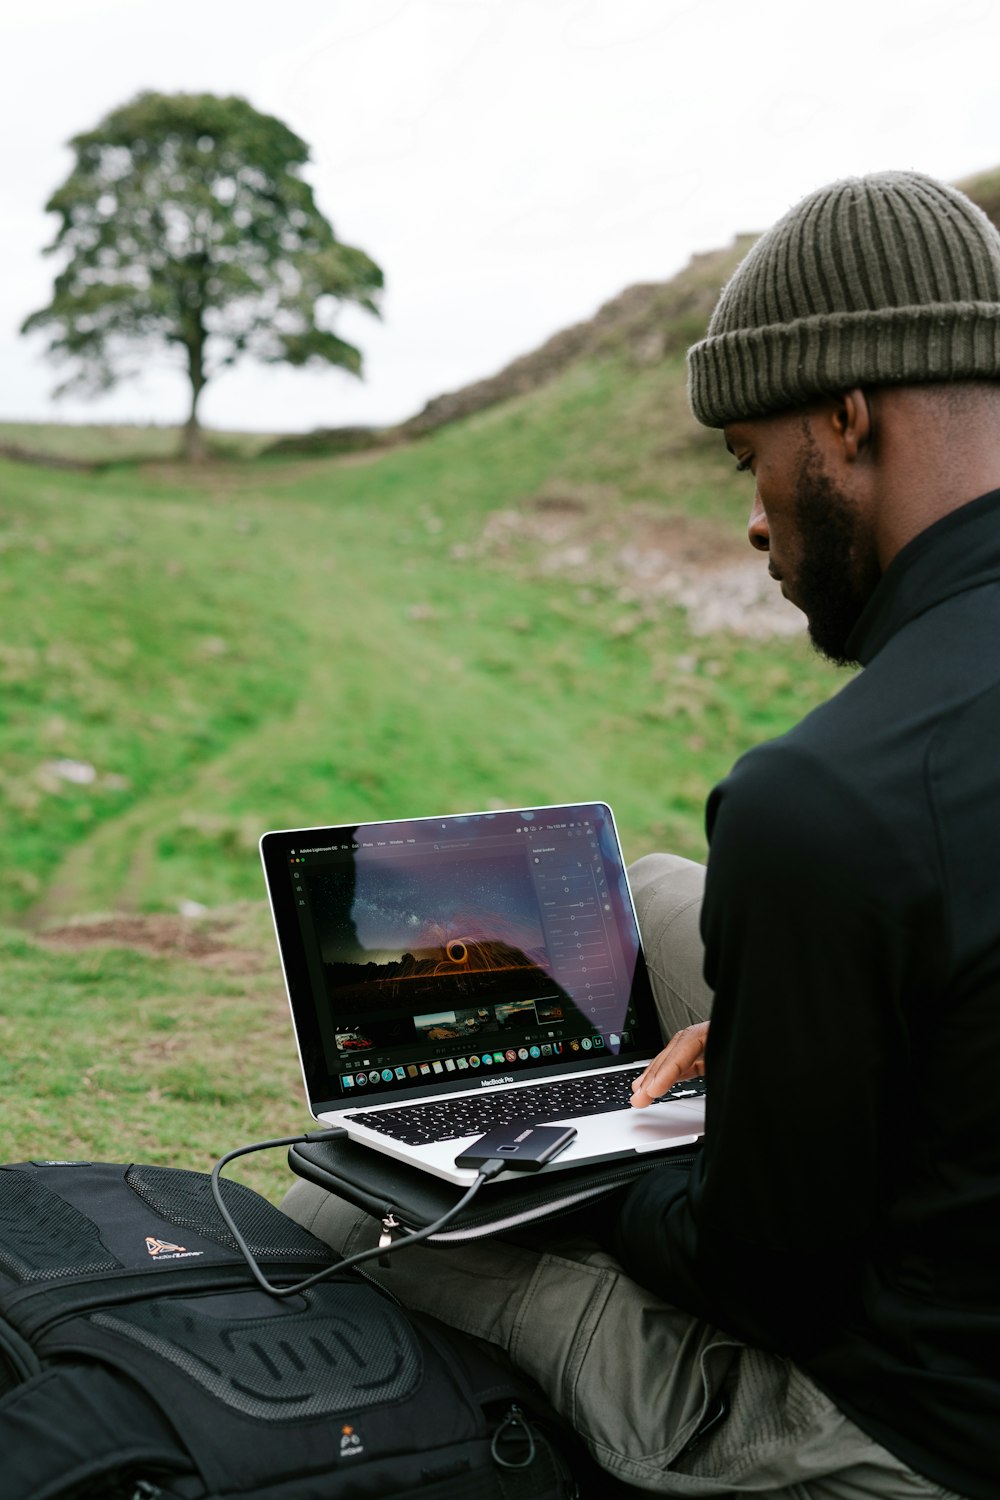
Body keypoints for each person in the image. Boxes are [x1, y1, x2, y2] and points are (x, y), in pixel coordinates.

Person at [283, 170, 1000, 1498]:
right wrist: (816, 1041)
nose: (752, 515)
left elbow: (764, 1278)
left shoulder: (823, 798)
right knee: (663, 893)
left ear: (847, 420)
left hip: (905, 1436)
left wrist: (596, 1149)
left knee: (345, 1199)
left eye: (753, 457)